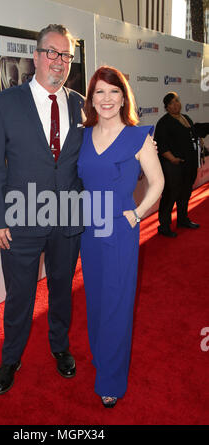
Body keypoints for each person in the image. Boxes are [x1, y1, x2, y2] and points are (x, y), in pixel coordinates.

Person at [0, 24, 85, 395]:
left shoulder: (79, 104)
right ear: (37, 55)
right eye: (53, 53)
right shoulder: (3, 104)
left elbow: (84, 161)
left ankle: (60, 347)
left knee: (61, 289)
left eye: (66, 55)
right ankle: (11, 357)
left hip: (68, 219)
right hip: (20, 219)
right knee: (20, 294)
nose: (59, 62)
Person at [77, 66, 164, 407]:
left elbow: (156, 182)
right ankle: (103, 359)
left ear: (124, 96)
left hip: (121, 229)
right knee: (96, 301)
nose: (107, 98)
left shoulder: (138, 136)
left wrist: (137, 213)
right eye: (100, 92)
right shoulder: (81, 136)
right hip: (89, 229)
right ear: (91, 99)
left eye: (114, 91)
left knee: (117, 303)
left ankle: (111, 380)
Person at [155, 92, 200, 237]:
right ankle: (164, 225)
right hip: (172, 166)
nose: (176, 104)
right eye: (172, 103)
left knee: (185, 193)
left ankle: (182, 219)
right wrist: (172, 159)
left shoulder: (186, 118)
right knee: (170, 194)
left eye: (177, 101)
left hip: (189, 163)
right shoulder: (164, 122)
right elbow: (161, 145)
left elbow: (192, 135)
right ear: (167, 107)